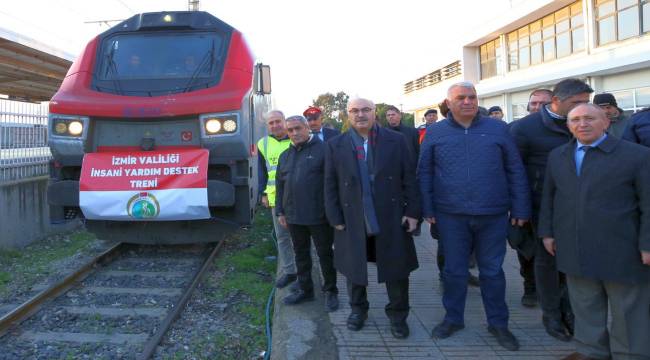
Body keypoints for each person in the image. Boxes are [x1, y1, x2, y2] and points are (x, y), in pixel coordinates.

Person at [418, 82, 531, 351]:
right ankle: (453, 319)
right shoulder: (435, 132)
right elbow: (424, 172)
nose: (467, 101)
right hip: (451, 214)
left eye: (472, 97)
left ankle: (498, 324)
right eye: (461, 98)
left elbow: (515, 169)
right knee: (454, 271)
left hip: (492, 213)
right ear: (449, 102)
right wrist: (428, 208)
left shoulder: (498, 129)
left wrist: (521, 208)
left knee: (492, 271)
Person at [538, 103, 650, 360]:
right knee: (586, 307)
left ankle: (630, 355)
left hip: (624, 249)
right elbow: (550, 198)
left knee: (628, 311)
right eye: (575, 120)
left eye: (589, 118)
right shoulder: (558, 155)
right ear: (568, 126)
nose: (582, 124)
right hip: (575, 246)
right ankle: (591, 352)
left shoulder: (637, 156)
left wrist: (647, 244)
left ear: (606, 122)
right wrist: (547, 232)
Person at [324, 97, 420, 339]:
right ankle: (358, 311)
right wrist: (334, 216)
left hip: (390, 215)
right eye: (354, 110)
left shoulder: (396, 140)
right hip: (352, 217)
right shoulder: (336, 144)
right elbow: (329, 184)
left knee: (396, 269)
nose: (360, 114)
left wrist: (412, 212)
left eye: (365, 109)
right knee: (354, 268)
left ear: (374, 112)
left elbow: (409, 177)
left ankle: (398, 316)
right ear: (348, 115)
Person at [509, 78, 593, 341]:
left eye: (586, 103)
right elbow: (514, 172)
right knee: (547, 261)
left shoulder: (587, 122)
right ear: (557, 101)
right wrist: (520, 209)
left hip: (582, 206)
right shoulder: (525, 128)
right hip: (541, 206)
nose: (583, 109)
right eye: (577, 103)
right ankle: (552, 314)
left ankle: (571, 311)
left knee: (576, 261)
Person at [275, 115, 339, 311]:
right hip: (293, 216)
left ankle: (330, 291)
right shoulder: (285, 155)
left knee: (325, 254)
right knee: (301, 254)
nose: (294, 133)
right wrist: (280, 211)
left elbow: (333, 183)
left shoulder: (324, 150)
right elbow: (280, 185)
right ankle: (306, 289)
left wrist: (333, 213)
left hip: (319, 216)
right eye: (291, 130)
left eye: (298, 128)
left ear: (307, 128)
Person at [257, 110, 296, 288]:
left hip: (299, 197)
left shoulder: (296, 138)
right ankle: (289, 271)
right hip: (276, 199)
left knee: (303, 238)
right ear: (267, 126)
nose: (275, 125)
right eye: (271, 123)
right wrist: (263, 193)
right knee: (282, 237)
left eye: (278, 121)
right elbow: (262, 172)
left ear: (284, 121)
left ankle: (305, 273)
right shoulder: (263, 144)